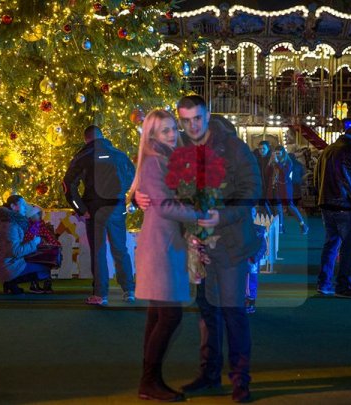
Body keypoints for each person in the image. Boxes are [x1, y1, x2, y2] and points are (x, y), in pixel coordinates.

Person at [137, 95, 260, 403]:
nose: (191, 126)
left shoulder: (233, 146)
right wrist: (135, 196)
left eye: (197, 119)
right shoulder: (180, 149)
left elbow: (251, 190)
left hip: (230, 243)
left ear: (207, 116)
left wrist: (224, 215)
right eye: (186, 120)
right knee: (207, 314)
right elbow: (159, 183)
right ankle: (209, 374)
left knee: (232, 312)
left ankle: (240, 381)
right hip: (197, 247)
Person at [129, 109, 207, 402]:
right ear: (151, 135)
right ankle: (149, 380)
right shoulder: (154, 160)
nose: (173, 134)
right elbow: (163, 205)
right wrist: (200, 213)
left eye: (173, 128)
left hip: (165, 242)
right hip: (161, 246)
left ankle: (149, 379)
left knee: (158, 314)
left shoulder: (168, 157)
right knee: (170, 315)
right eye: (165, 131)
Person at [63, 125, 136, 306]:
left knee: (99, 251)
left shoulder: (82, 157)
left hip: (95, 209)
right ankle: (129, 290)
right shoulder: (120, 155)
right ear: (102, 136)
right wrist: (121, 193)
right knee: (120, 249)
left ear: (86, 139)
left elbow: (68, 184)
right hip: (117, 207)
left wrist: (81, 208)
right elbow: (134, 177)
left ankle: (100, 295)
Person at [314, 126, 351, 298]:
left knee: (330, 245)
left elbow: (317, 177)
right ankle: (343, 286)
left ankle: (323, 283)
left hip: (326, 203)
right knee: (348, 248)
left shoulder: (328, 150)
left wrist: (321, 197)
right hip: (345, 204)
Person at [0, 195, 52, 295]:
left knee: (36, 262)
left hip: (6, 265)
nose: (26, 208)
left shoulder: (8, 222)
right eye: (23, 205)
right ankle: (11, 282)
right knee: (45, 269)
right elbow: (16, 251)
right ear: (13, 206)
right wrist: (34, 242)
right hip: (9, 267)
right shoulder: (11, 225)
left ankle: (11, 284)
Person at [266, 145, 309, 235]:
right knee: (278, 209)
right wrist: (270, 162)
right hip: (275, 188)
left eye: (278, 153)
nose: (277, 155)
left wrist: (277, 162)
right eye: (275, 154)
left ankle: (303, 225)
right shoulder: (273, 162)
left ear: (283, 153)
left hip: (285, 188)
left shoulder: (288, 162)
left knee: (290, 207)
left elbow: (284, 174)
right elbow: (267, 174)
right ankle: (280, 227)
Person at [23, 204, 60, 294]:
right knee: (35, 267)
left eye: (39, 215)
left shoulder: (42, 226)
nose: (39, 217)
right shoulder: (31, 228)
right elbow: (28, 238)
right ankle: (35, 284)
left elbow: (49, 236)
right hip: (35, 251)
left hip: (44, 250)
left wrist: (54, 244)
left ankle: (46, 284)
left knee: (46, 266)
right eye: (36, 215)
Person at [253, 140, 272, 215]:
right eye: (260, 149)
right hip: (260, 186)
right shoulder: (257, 159)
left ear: (268, 149)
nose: (262, 150)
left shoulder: (271, 159)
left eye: (264, 148)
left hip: (269, 186)